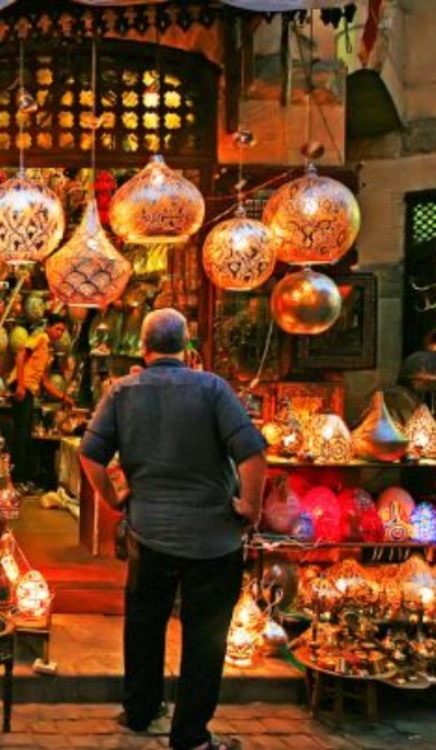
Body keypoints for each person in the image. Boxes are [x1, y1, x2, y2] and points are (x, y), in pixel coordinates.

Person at [78, 308, 267, 750]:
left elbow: (90, 457)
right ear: (187, 346)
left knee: (145, 624)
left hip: (150, 534)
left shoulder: (121, 392)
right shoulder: (213, 389)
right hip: (213, 539)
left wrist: (114, 499)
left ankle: (140, 711)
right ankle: (190, 735)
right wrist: (250, 506)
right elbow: (253, 456)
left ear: (143, 348)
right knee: (205, 638)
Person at [10, 313, 71, 488]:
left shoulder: (47, 349)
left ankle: (23, 477)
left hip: (30, 390)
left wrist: (63, 397)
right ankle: (17, 479)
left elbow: (44, 381)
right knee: (21, 436)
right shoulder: (41, 337)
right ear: (49, 327)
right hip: (23, 388)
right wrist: (20, 385)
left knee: (26, 435)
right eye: (57, 329)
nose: (60, 333)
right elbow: (20, 356)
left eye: (62, 331)